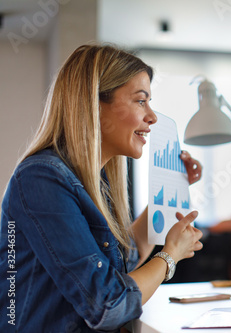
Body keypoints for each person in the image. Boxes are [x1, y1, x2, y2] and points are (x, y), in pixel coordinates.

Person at [0, 44, 204, 332]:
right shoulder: (42, 179)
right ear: (94, 104)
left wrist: (173, 187)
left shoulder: (96, 181)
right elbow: (107, 304)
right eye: (140, 101)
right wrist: (169, 256)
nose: (152, 117)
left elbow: (125, 262)